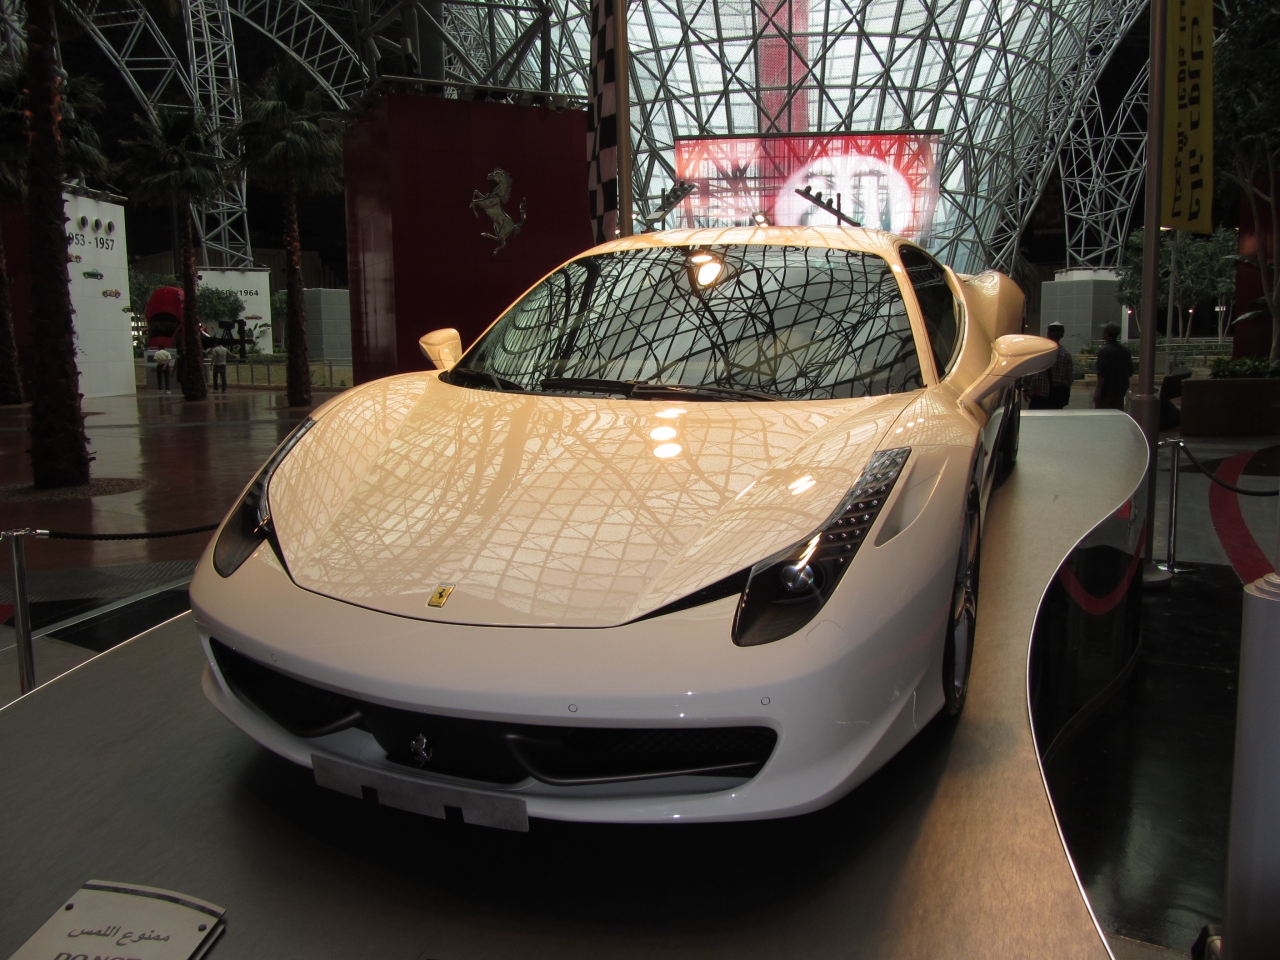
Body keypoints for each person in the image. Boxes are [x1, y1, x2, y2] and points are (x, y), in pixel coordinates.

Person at [1026, 321, 1074, 409]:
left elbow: (1030, 372)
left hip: (1038, 395)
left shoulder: (1039, 352)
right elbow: (1069, 378)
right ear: (1062, 335)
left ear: (1048, 334)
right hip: (1057, 397)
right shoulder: (1066, 355)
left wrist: (1026, 389)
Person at [1094, 321, 1133, 410]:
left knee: (1103, 415)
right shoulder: (1125, 351)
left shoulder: (1104, 351)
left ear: (1106, 334)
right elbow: (1130, 371)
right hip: (1120, 392)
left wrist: (1098, 392)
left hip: (1106, 392)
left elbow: (1101, 373)